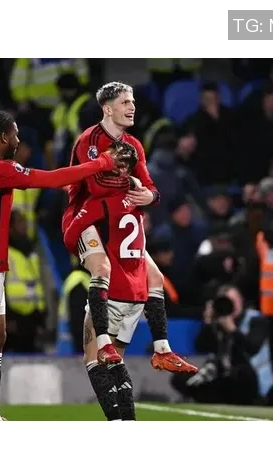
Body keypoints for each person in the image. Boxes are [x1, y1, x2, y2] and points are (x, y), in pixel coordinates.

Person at [0, 110, 129, 421]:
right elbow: (50, 178)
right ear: (3, 137)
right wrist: (102, 163)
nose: (18, 141)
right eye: (15, 135)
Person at [62, 81, 192, 372]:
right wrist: (133, 184)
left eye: (133, 102)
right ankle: (102, 343)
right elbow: (97, 187)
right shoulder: (88, 141)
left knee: (155, 277)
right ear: (108, 109)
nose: (132, 107)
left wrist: (150, 196)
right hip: (88, 219)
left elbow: (151, 188)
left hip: (119, 221)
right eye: (125, 102)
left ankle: (162, 350)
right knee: (102, 269)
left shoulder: (133, 145)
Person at [64, 142, 197, 421]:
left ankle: (116, 421)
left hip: (113, 290)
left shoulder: (102, 201)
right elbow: (152, 195)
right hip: (137, 296)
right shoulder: (137, 197)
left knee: (94, 360)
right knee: (117, 362)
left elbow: (71, 233)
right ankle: (130, 419)